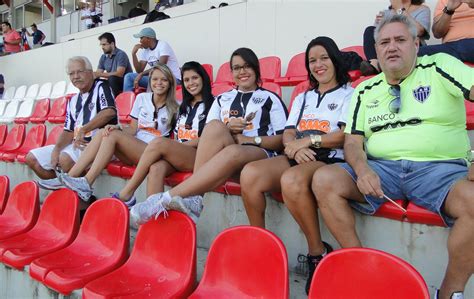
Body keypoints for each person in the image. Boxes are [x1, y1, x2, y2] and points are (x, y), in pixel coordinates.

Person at [313, 13, 474, 299]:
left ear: (416, 43)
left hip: (439, 172)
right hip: (381, 170)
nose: (392, 47)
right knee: (324, 178)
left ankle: (450, 293)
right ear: (376, 50)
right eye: (384, 42)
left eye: (400, 40)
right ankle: (360, 269)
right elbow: (352, 142)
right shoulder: (365, 89)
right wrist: (362, 171)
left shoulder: (440, 65)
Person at [239, 36, 353, 294]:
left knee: (291, 180)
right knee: (250, 174)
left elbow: (342, 136)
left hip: (328, 157)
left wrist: (308, 144)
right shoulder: (303, 96)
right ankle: (262, 249)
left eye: (324, 58)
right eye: (312, 61)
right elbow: (289, 131)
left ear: (335, 59)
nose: (318, 64)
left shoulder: (350, 93)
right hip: (298, 153)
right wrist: (293, 146)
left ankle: (317, 252)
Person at [130, 47, 288, 225]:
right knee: (215, 128)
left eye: (247, 66)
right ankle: (194, 199)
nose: (242, 72)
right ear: (232, 72)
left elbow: (282, 140)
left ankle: (168, 199)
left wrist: (250, 140)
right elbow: (210, 134)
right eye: (236, 68)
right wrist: (229, 128)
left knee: (233, 150)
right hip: (228, 157)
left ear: (256, 69)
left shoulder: (270, 98)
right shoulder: (223, 99)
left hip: (260, 155)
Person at [55, 64, 178, 203]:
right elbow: (132, 129)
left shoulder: (176, 107)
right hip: (133, 149)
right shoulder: (141, 98)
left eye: (164, 80)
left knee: (110, 134)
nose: (159, 83)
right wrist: (117, 127)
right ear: (150, 81)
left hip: (153, 152)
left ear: (170, 83)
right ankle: (75, 178)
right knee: (106, 131)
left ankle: (81, 182)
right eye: (155, 79)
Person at [111, 61, 214, 205]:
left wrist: (174, 146)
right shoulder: (183, 106)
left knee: (159, 142)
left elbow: (211, 138)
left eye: (195, 78)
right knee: (156, 168)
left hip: (199, 156)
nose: (191, 83)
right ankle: (153, 216)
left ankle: (127, 192)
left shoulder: (215, 103)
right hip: (178, 154)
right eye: (186, 80)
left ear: (203, 78)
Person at [26, 56, 117, 180]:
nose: (76, 76)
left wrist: (84, 129)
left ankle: (77, 192)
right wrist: (57, 149)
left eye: (80, 71)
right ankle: (62, 187)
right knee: (31, 158)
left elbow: (109, 112)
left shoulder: (101, 86)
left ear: (90, 73)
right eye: (72, 73)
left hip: (98, 144)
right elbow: (68, 130)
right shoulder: (73, 100)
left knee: (65, 159)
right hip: (77, 145)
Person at [360, 0, 430, 75]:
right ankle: (375, 65)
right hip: (390, 47)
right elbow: (376, 36)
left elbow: (419, 31)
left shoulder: (422, 9)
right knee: (370, 30)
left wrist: (399, 9)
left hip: (413, 48)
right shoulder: (386, 12)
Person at [123, 27, 181, 92]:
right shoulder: (145, 51)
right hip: (157, 79)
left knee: (152, 79)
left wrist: (142, 74)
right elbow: (139, 70)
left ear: (148, 38)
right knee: (129, 77)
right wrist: (133, 54)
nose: (140, 41)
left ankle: (150, 100)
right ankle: (127, 101)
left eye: (141, 38)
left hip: (173, 79)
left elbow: (161, 66)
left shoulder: (163, 45)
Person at [94, 32, 133, 96]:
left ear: (112, 44)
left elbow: (120, 73)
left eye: (104, 44)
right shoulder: (103, 57)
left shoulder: (121, 54)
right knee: (96, 81)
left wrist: (101, 74)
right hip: (112, 81)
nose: (102, 47)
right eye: (101, 45)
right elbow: (98, 73)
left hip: (124, 82)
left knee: (112, 79)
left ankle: (113, 103)